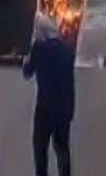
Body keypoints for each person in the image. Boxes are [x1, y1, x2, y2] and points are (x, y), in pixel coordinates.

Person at [23, 12, 75, 176]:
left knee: (40, 146)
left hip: (45, 107)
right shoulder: (67, 48)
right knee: (62, 147)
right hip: (65, 107)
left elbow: (27, 72)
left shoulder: (39, 48)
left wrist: (27, 58)